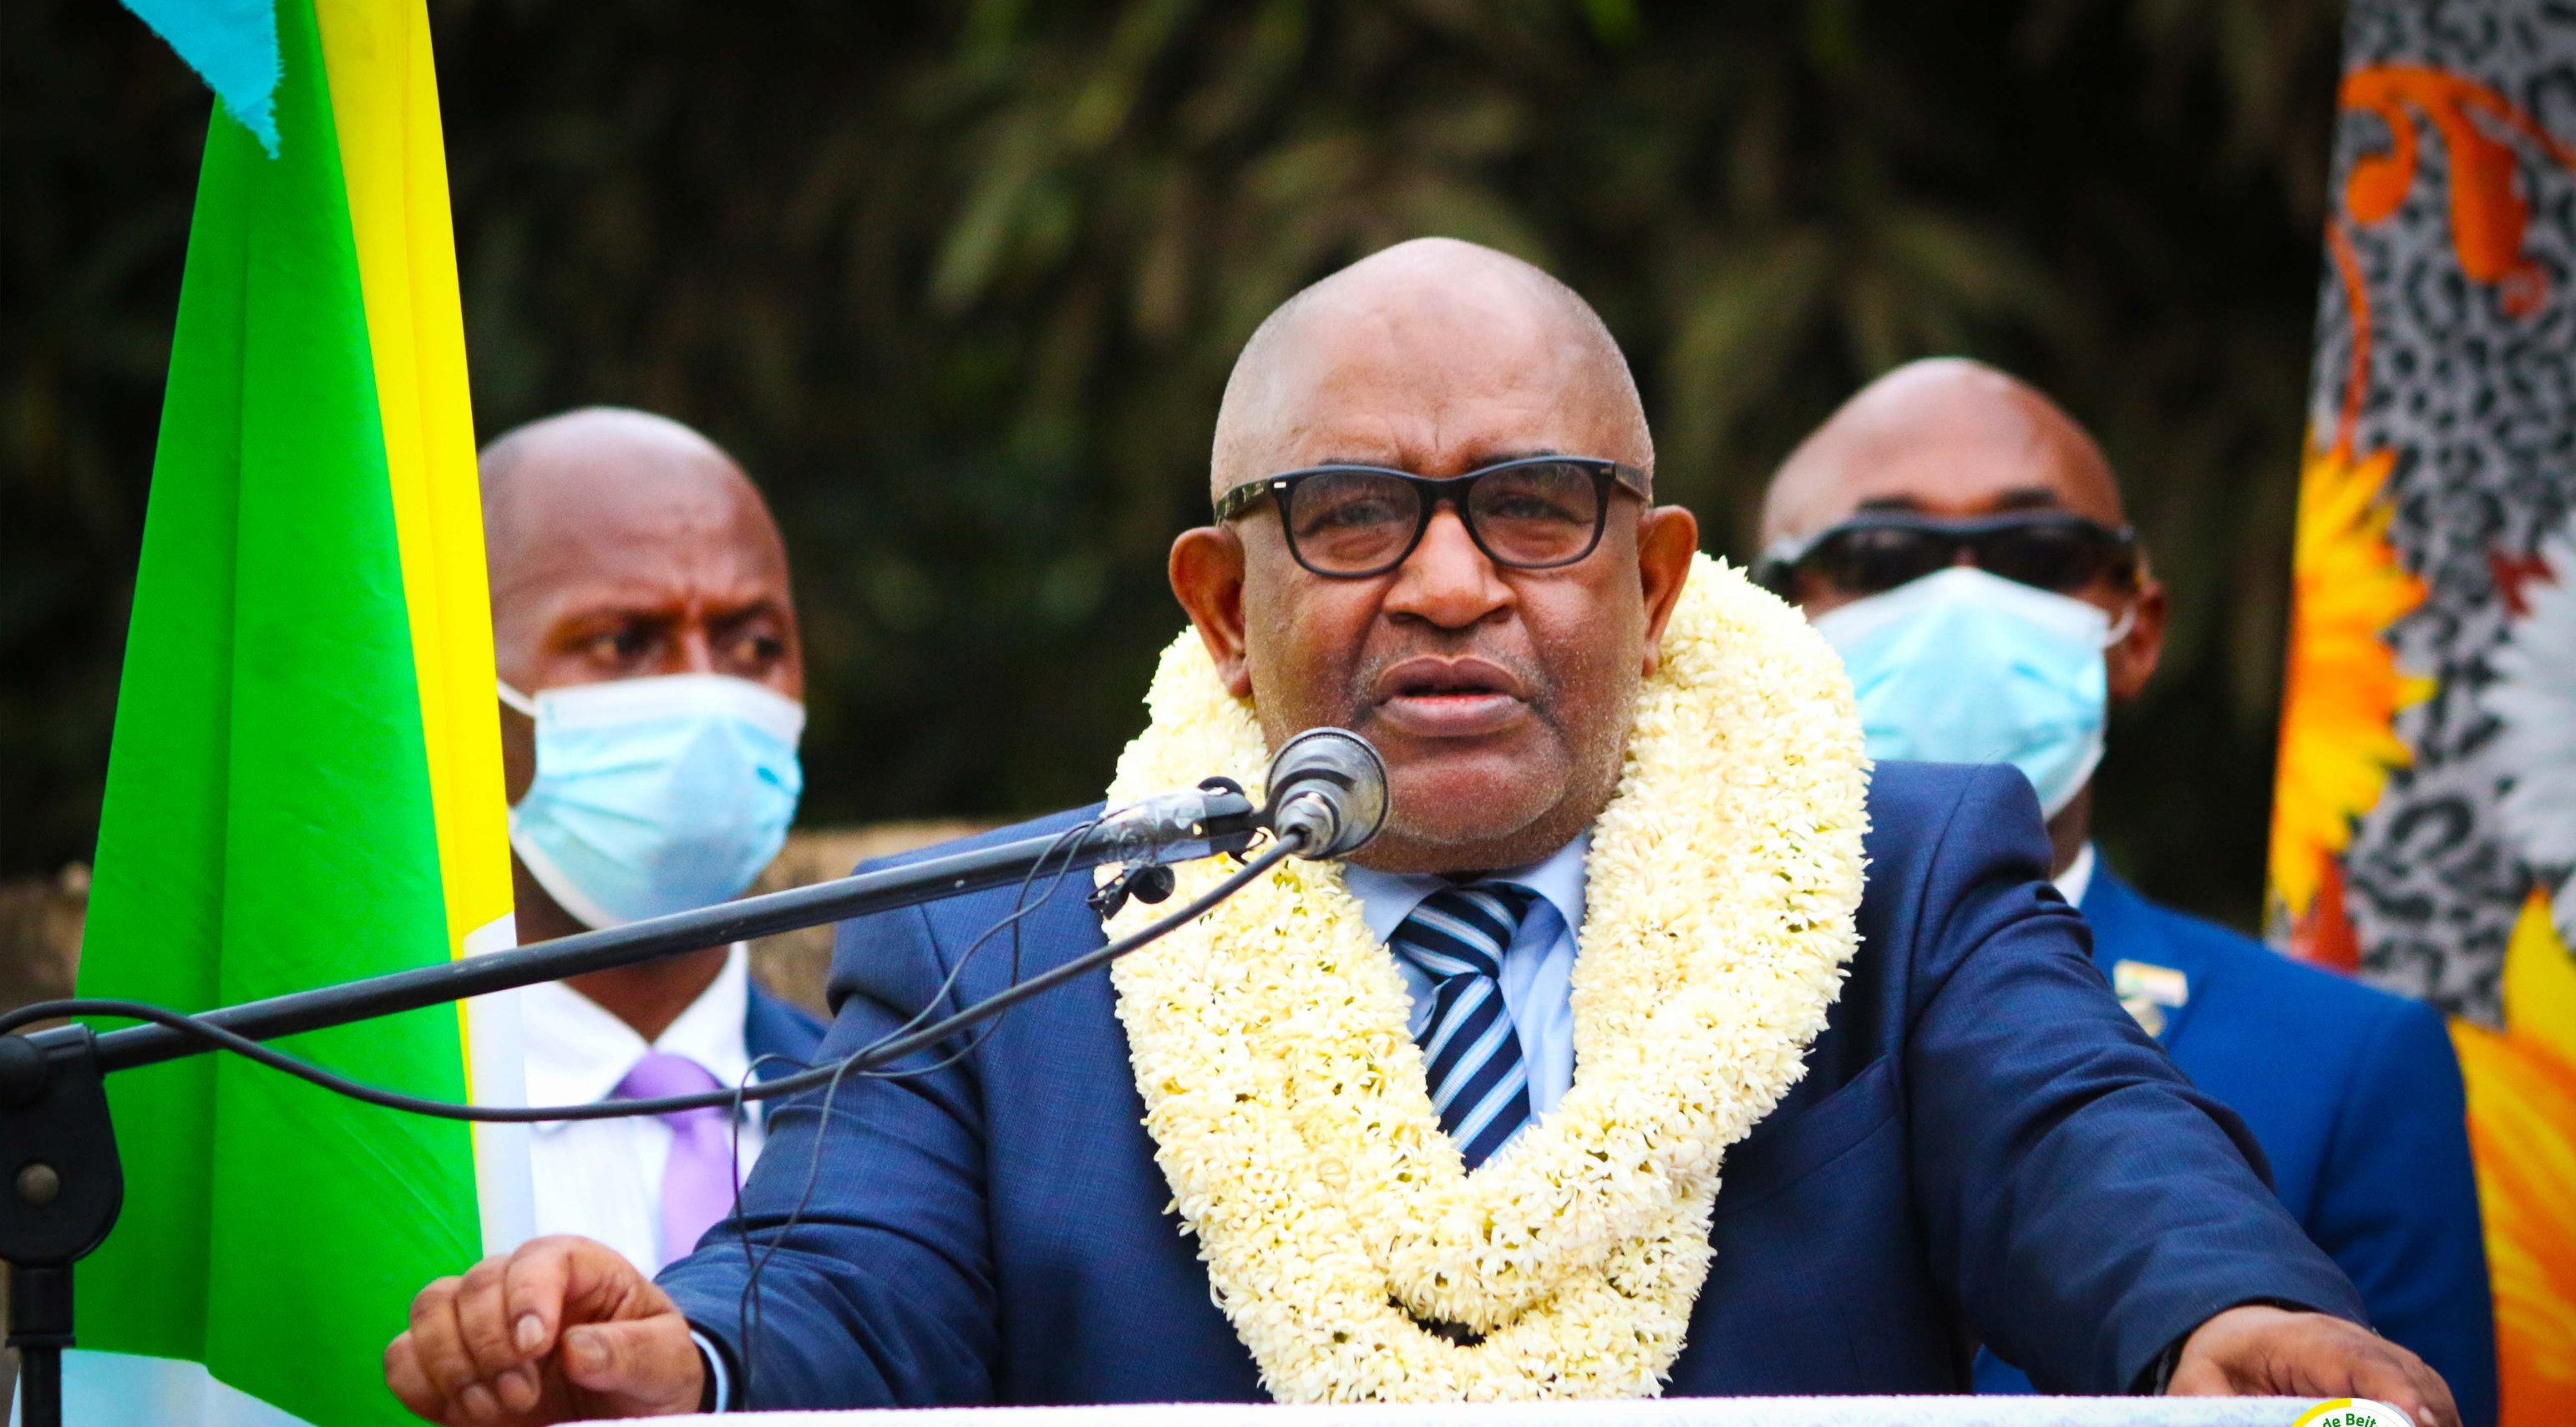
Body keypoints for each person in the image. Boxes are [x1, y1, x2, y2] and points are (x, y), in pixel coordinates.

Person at [387, 243, 2457, 1425]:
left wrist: (2213, 1310)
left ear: (1651, 581)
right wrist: (687, 1356)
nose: (1452, 583)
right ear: (1222, 602)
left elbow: (2080, 1137)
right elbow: (842, 1282)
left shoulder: (1900, 874)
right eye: (1355, 515)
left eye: (1534, 505)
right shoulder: (1011, 939)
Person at [1757, 358, 2496, 1424]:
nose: (1966, 600)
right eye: (1880, 557)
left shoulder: (2353, 1061)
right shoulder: (1617, 1011)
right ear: (1767, 621)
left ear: (2136, 629)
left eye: (2039, 554)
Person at [480, 408, 827, 1277]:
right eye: (624, 642)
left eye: (752, 643)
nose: (705, 697)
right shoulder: (358, 1137)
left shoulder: (893, 1112)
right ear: (455, 688)